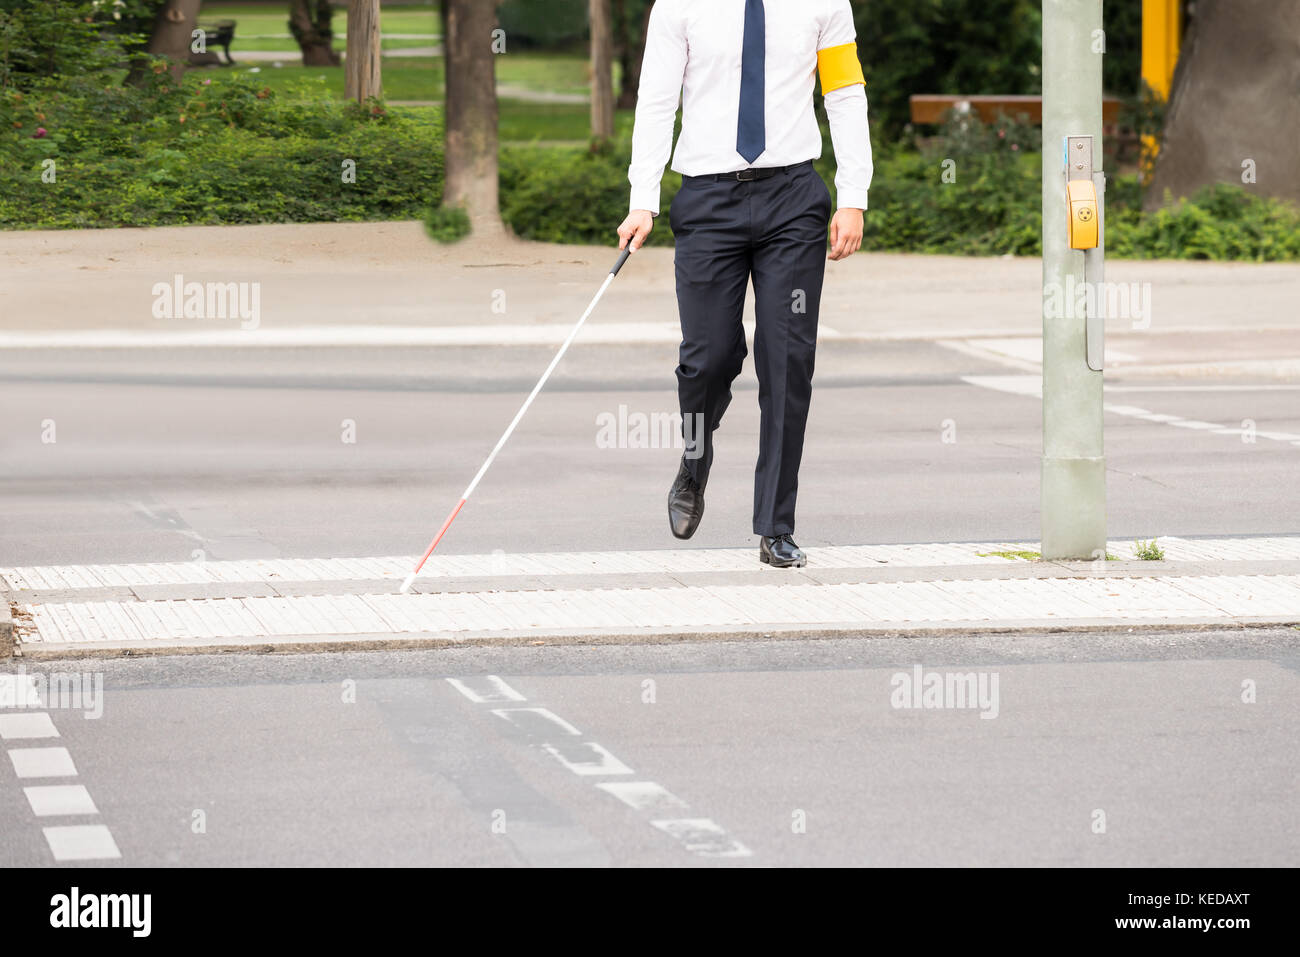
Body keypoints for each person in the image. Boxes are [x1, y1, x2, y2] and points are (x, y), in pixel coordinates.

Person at [617, 0, 873, 568]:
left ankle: (776, 525)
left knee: (787, 361)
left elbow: (844, 94)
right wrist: (643, 199)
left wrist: (853, 195)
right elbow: (656, 98)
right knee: (707, 358)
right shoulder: (678, 6)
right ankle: (694, 461)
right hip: (707, 199)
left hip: (793, 200)